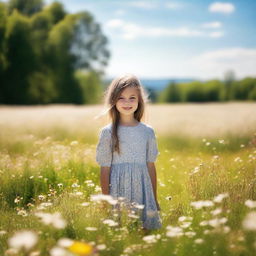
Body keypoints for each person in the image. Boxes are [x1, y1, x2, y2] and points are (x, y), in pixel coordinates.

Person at [95, 74, 162, 232]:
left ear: (139, 101)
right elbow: (105, 169)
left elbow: (150, 166)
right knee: (121, 233)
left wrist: (154, 198)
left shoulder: (147, 132)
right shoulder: (107, 132)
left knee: (144, 233)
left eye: (132, 98)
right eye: (121, 98)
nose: (127, 102)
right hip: (118, 191)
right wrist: (106, 201)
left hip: (143, 190)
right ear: (113, 100)